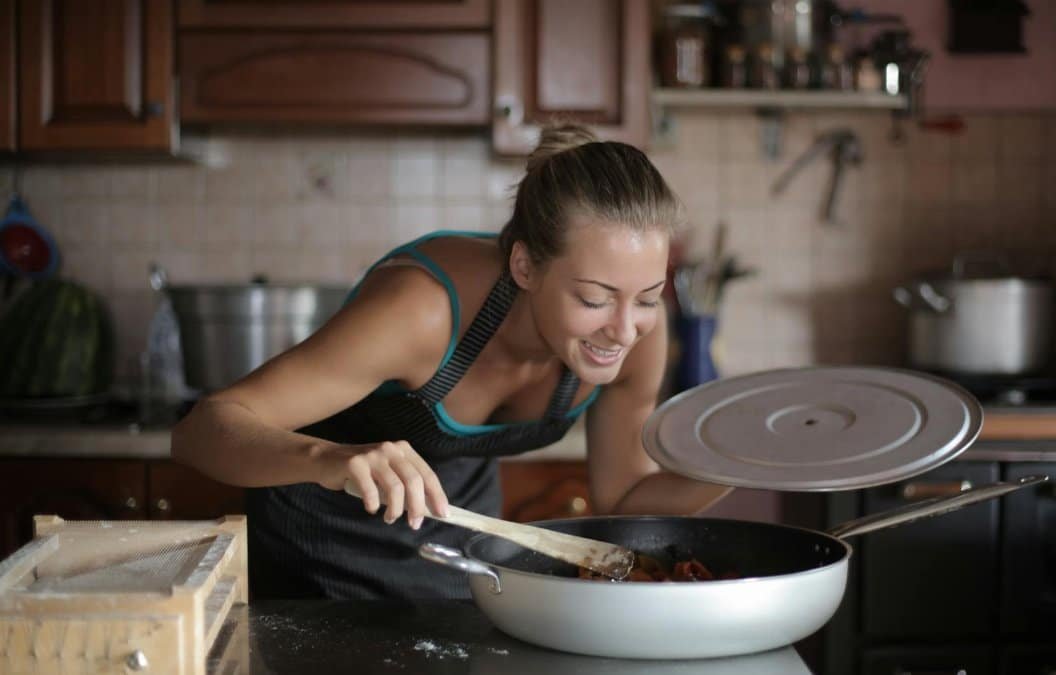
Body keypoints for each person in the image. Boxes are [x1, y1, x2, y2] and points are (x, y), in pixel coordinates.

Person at [171, 124, 733, 600]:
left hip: (456, 557)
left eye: (648, 297)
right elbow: (202, 431)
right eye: (593, 299)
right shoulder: (419, 311)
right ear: (525, 267)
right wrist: (329, 458)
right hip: (314, 560)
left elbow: (622, 502)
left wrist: (742, 464)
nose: (623, 327)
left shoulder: (634, 336)